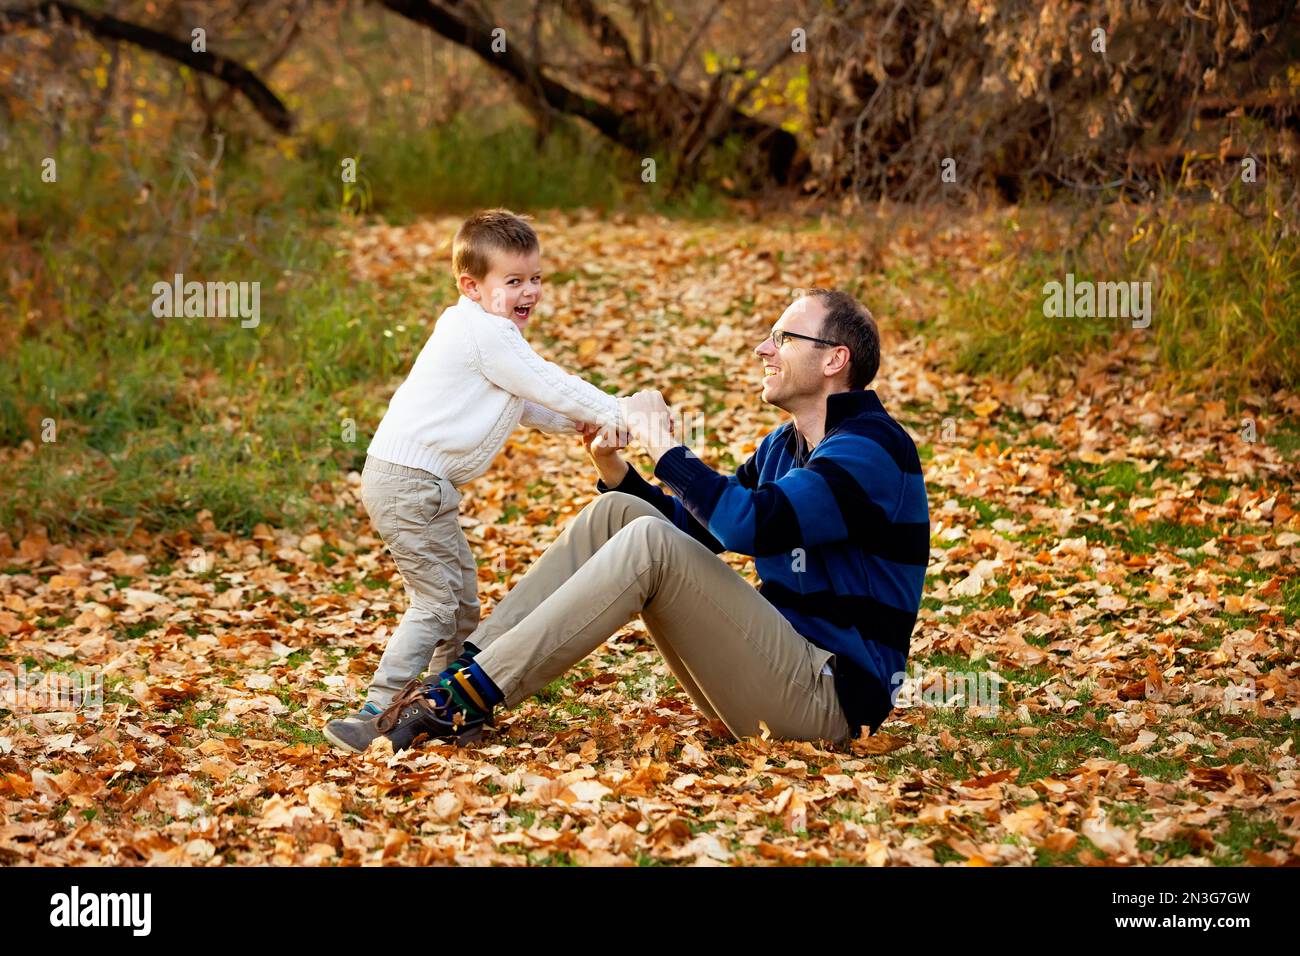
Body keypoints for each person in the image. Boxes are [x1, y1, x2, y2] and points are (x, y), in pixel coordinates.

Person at [373, 288, 930, 751]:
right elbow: (702, 533)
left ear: (834, 359)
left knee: (648, 543)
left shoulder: (871, 449)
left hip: (830, 700)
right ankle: (457, 680)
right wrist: (615, 468)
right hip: (776, 668)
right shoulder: (785, 444)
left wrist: (664, 446)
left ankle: (456, 703)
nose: (764, 348)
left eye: (784, 338)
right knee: (622, 511)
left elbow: (748, 526)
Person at [324, 209, 629, 753]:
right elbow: (545, 382)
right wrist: (621, 412)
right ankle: (373, 713)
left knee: (462, 605)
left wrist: (585, 423)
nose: (528, 291)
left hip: (426, 488)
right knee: (437, 604)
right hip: (406, 483)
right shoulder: (484, 333)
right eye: (512, 281)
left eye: (535, 278)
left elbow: (528, 404)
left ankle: (450, 707)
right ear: (471, 285)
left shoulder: (490, 336)